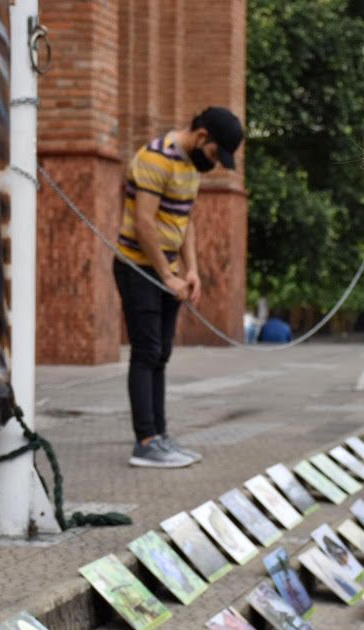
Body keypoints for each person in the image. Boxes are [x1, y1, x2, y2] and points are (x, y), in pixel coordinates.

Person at [114, 107, 244, 468]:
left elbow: (184, 222)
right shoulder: (155, 159)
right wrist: (165, 275)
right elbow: (144, 223)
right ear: (202, 137)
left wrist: (192, 271)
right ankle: (145, 441)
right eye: (216, 154)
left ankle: (160, 435)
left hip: (166, 269)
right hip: (137, 267)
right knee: (146, 351)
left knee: (161, 354)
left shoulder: (189, 166)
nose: (215, 164)